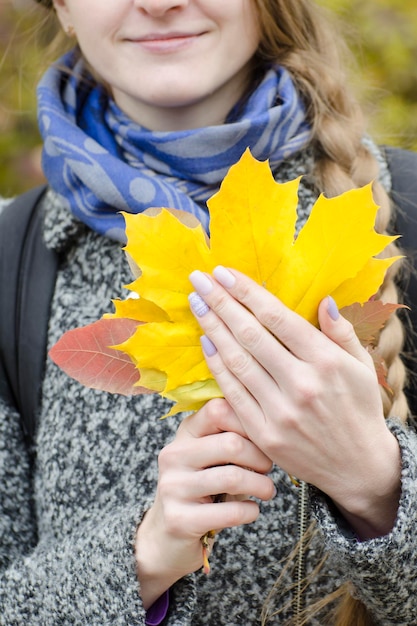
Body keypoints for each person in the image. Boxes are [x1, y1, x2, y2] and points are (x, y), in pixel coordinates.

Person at [1, 1, 416, 624]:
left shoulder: (397, 210)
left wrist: (378, 485)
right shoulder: (14, 262)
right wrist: (142, 555)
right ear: (62, 6)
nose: (159, 1)